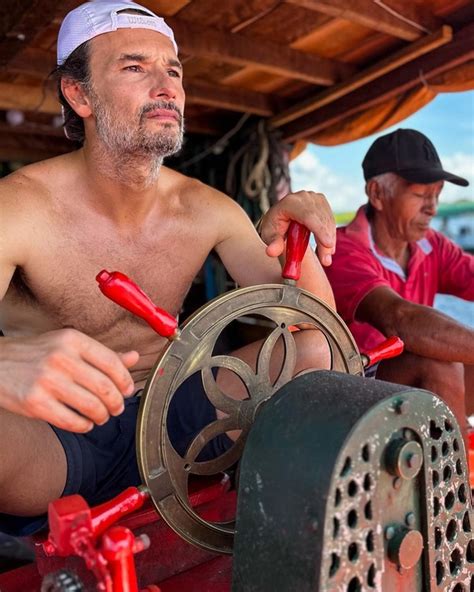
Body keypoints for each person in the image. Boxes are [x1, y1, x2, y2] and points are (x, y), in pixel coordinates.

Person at [0, 0, 337, 536]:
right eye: (135, 67)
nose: (167, 87)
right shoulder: (16, 207)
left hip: (179, 417)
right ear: (78, 93)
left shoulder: (209, 208)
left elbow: (320, 332)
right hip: (54, 442)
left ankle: (284, 528)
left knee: (313, 355)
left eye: (173, 70)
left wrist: (294, 227)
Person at [325, 128, 474, 438]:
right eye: (421, 194)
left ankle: (454, 445)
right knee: (440, 361)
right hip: (353, 392)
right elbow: (400, 319)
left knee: (449, 354)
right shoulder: (342, 251)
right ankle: (455, 469)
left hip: (405, 384)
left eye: (437, 194)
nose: (432, 208)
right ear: (378, 193)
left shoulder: (432, 245)